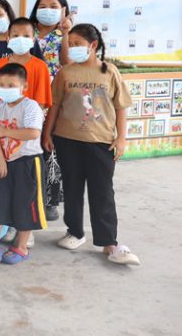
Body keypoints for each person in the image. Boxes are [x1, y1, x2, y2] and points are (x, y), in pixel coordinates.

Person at [42, 24, 140, 266]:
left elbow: (121, 107)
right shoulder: (65, 73)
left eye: (77, 44)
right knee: (72, 189)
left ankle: (109, 243)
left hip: (101, 142)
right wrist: (47, 133)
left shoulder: (110, 72)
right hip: (67, 140)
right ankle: (75, 232)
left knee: (102, 192)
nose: (73, 48)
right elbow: (55, 105)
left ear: (93, 45)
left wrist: (121, 138)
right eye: (71, 44)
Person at [0, 63, 47, 267]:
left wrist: (5, 131)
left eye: (11, 85)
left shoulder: (31, 106)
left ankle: (21, 247)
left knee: (25, 205)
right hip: (5, 162)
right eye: (2, 85)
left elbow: (33, 133)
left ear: (24, 86)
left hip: (28, 162)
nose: (5, 89)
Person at [28, 0, 73, 220]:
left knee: (51, 149)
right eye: (42, 6)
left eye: (54, 6)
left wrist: (65, 34)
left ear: (64, 10)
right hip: (29, 96)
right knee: (28, 148)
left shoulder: (66, 34)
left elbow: (68, 62)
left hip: (55, 98)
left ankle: (50, 201)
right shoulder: (27, 30)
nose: (47, 10)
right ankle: (29, 197)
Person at [0, 17, 52, 110]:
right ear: (8, 39)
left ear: (33, 40)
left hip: (29, 117)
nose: (21, 39)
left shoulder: (40, 66)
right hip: (2, 116)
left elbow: (41, 102)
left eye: (26, 36)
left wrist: (29, 118)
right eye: (16, 36)